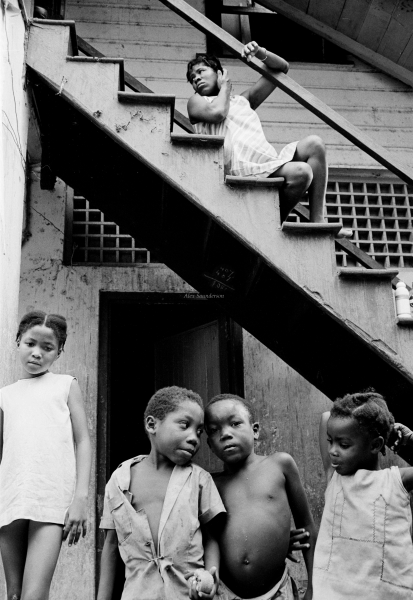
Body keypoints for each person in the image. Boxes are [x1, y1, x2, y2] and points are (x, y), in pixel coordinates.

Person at [97, 386, 226, 600]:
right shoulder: (119, 480)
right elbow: (111, 546)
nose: (194, 438)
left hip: (187, 594)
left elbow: (212, 538)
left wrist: (211, 577)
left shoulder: (199, 480)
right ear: (152, 424)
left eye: (199, 432)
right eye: (184, 425)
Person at [0, 310, 92, 600]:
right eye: (30, 343)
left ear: (59, 351)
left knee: (33, 595)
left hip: (51, 499)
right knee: (14, 595)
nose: (37, 353)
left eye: (47, 347)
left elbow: (83, 441)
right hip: (11, 498)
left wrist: (80, 499)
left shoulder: (65, 385)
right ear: (18, 341)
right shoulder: (5, 396)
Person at [186, 42, 327, 223]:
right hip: (238, 171)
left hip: (265, 164)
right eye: (192, 78)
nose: (196, 78)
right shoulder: (197, 102)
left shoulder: (243, 101)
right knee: (302, 172)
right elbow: (218, 113)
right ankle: (274, 224)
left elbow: (281, 68)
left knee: (315, 144)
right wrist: (225, 86)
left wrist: (259, 52)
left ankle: (318, 221)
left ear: (219, 72)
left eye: (201, 71)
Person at [202, 393, 316, 600]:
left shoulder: (279, 465)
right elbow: (209, 538)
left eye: (235, 423)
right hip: (226, 593)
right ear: (209, 444)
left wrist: (313, 586)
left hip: (278, 592)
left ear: (255, 430)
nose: (225, 434)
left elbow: (307, 525)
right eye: (214, 430)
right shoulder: (209, 483)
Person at [314, 390, 413, 599]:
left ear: (376, 445)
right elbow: (326, 418)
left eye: (344, 445)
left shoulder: (395, 481)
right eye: (330, 441)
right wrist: (382, 427)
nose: (332, 451)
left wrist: (410, 439)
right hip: (334, 593)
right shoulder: (335, 477)